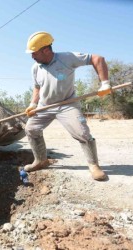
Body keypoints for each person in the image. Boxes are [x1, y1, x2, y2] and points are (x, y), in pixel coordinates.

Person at [23, 31, 111, 181]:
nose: (32, 56)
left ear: (46, 50)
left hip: (67, 104)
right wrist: (33, 104)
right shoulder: (36, 67)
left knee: (82, 133)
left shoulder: (67, 58)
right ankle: (40, 160)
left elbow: (97, 58)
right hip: (45, 106)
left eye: (34, 53)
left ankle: (94, 165)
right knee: (31, 129)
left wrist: (105, 83)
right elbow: (37, 87)